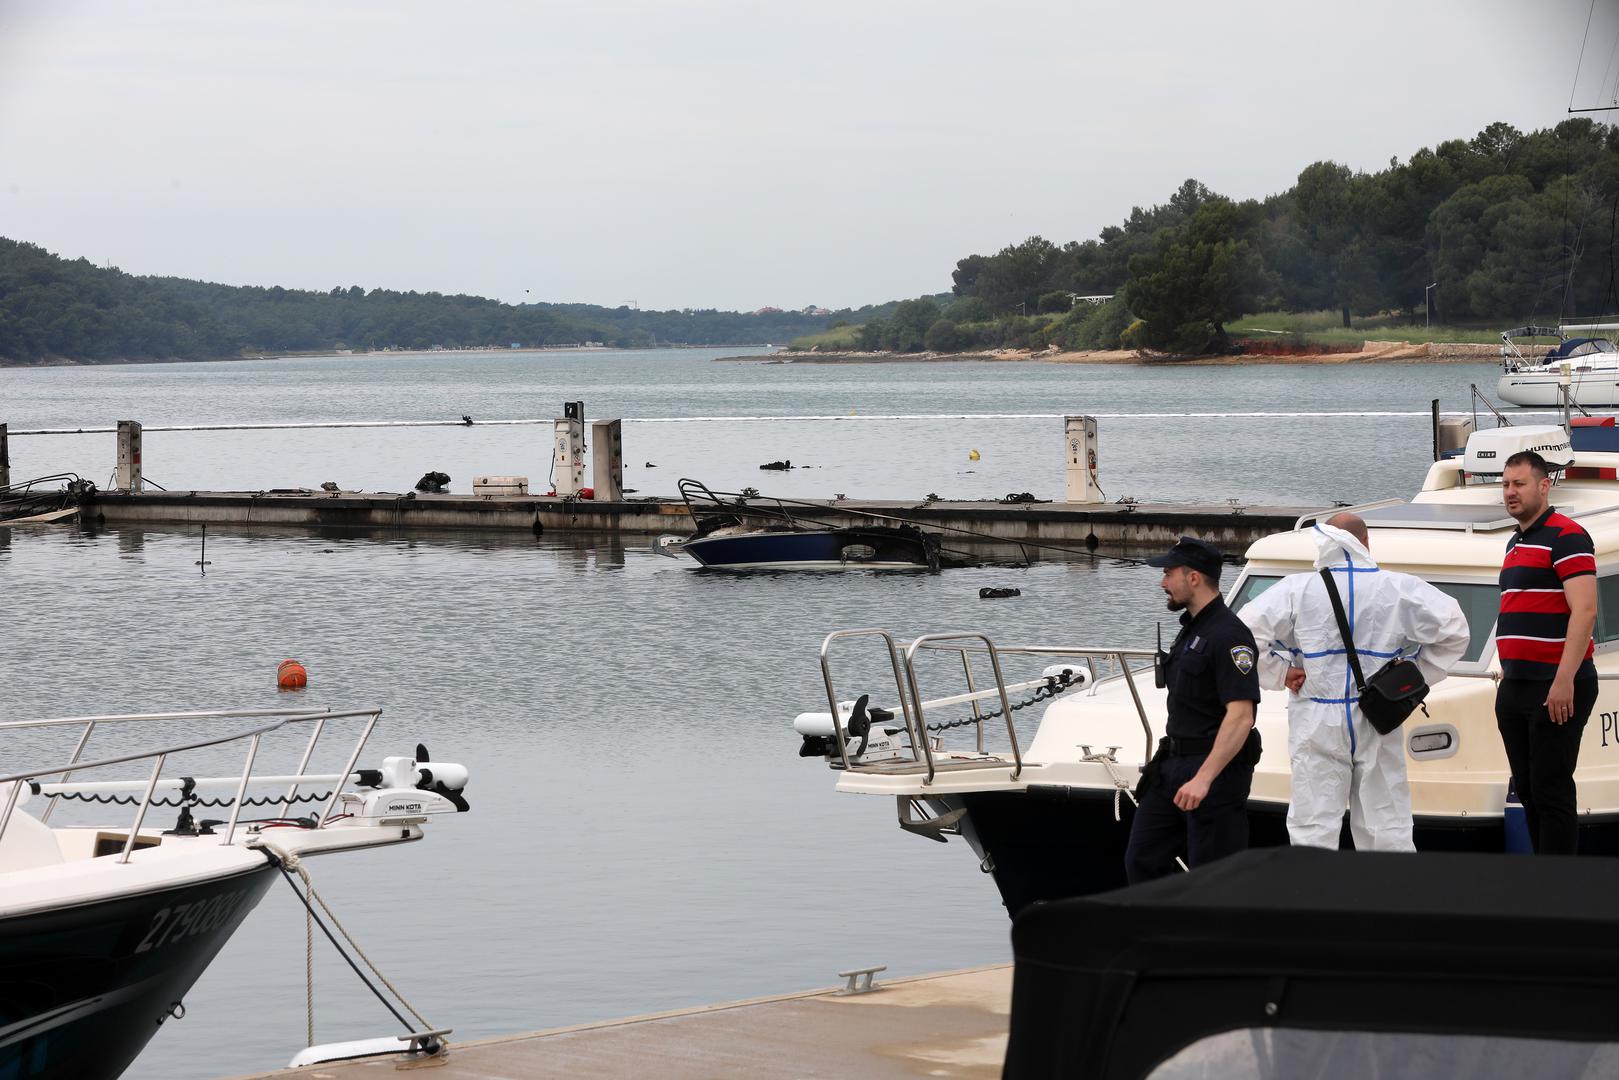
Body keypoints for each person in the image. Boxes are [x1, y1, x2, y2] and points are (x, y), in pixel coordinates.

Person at [1238, 514, 1469, 851]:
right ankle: (1389, 885)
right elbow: (1455, 630)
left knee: (1313, 824)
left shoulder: (1296, 589)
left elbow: (1241, 636)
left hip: (1316, 714)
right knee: (1386, 822)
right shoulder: (1398, 588)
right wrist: (1415, 674)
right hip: (1377, 712)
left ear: (1323, 544)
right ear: (1366, 543)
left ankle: (1314, 884)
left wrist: (1279, 672)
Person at [1124, 536, 1263, 883]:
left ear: (1194, 578)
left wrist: (1203, 778)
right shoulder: (1192, 629)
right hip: (1172, 764)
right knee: (1143, 860)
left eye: (1168, 574)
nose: (1163, 583)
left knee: (1213, 879)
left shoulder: (1229, 635)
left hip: (1213, 772)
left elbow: (1241, 716)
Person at [1496, 450, 1598, 855]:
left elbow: (1585, 610)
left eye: (1519, 484)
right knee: (1528, 790)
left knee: (1551, 791)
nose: (1510, 492)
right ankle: (1543, 878)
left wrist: (1563, 680)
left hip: (1556, 684)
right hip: (1517, 684)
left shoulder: (1567, 535)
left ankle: (1560, 884)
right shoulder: (1515, 541)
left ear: (1543, 486)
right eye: (1506, 484)